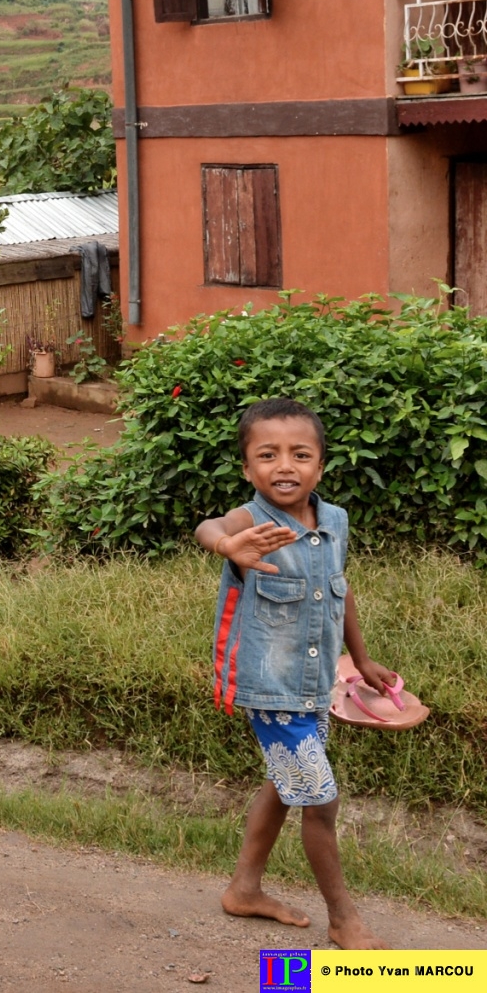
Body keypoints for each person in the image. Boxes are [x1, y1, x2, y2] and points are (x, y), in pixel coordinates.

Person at [195, 397, 394, 949]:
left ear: (321, 465)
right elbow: (210, 527)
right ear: (246, 468)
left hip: (316, 684)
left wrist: (362, 657)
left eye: (300, 454)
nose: (285, 466)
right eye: (267, 454)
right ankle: (343, 919)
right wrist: (226, 545)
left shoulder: (334, 521)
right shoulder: (249, 523)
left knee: (287, 787)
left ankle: (244, 889)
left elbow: (340, 589)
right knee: (319, 799)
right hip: (271, 688)